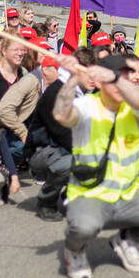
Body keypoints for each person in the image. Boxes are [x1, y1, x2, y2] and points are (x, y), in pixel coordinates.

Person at [52, 53, 139, 278]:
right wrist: (73, 77)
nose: (123, 83)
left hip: (129, 195)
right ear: (100, 83)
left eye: (125, 77)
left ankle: (126, 240)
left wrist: (114, 77)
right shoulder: (87, 105)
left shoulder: (136, 104)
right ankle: (74, 249)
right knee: (83, 228)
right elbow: (61, 114)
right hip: (90, 195)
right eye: (115, 79)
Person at [28, 48, 98, 221]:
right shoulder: (58, 93)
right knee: (72, 164)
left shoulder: (86, 93)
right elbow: (64, 135)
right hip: (44, 151)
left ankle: (72, 198)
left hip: (66, 147)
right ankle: (46, 202)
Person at [0, 38, 41, 168]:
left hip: (17, 122)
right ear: (4, 51)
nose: (20, 53)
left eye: (22, 50)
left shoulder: (24, 72)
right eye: (16, 50)